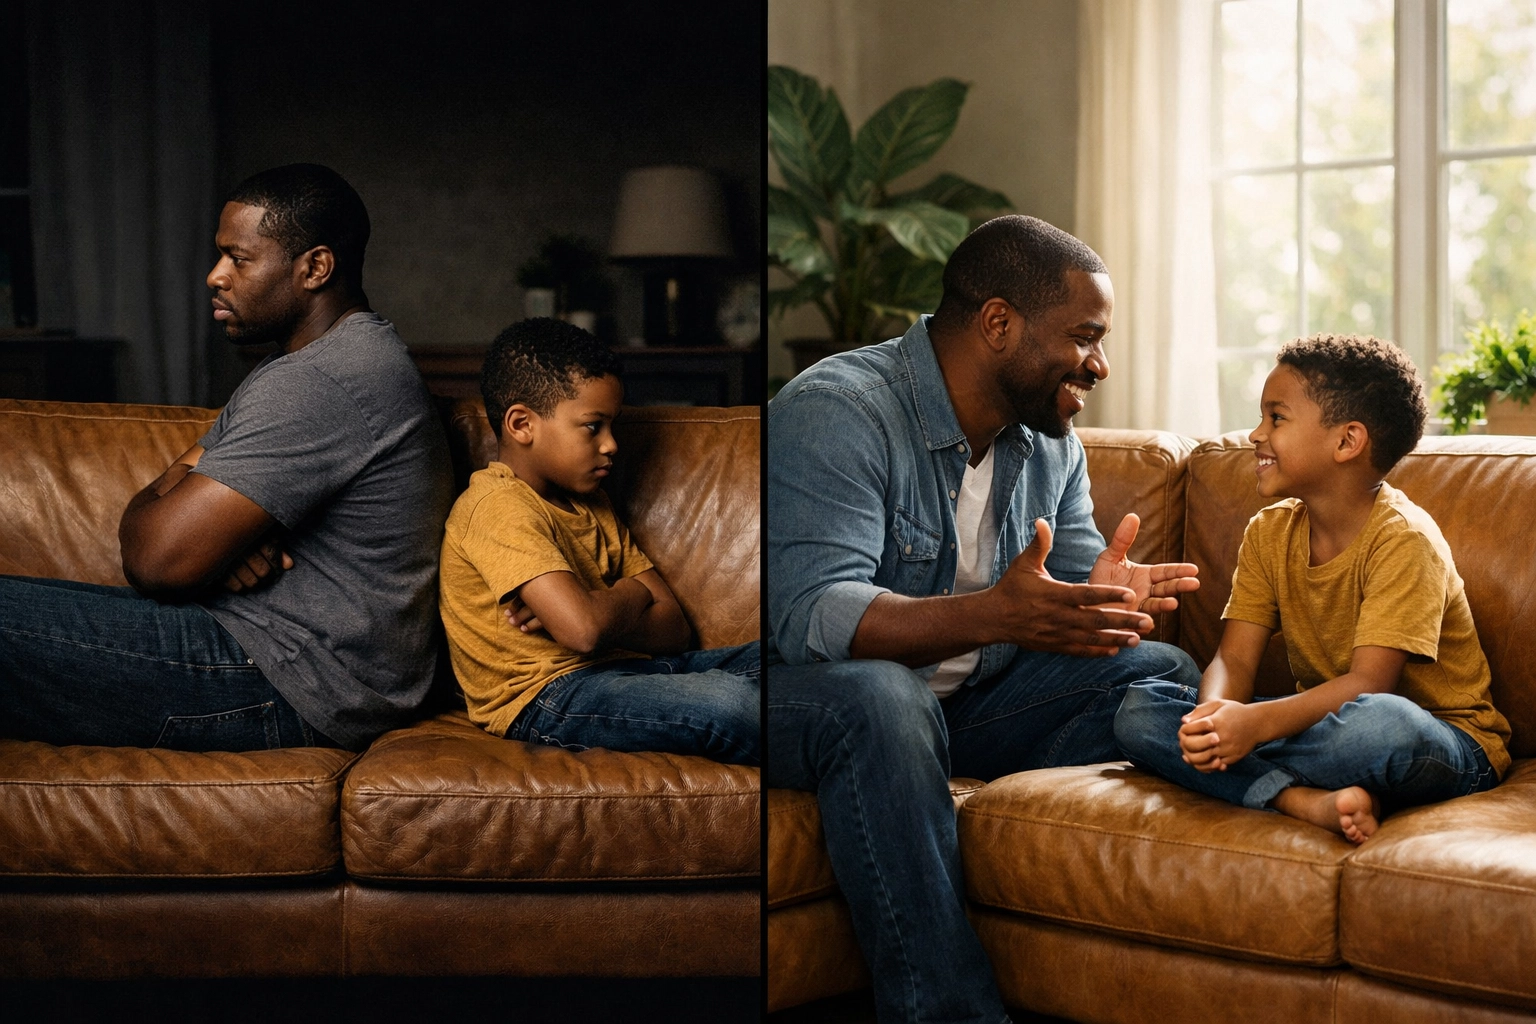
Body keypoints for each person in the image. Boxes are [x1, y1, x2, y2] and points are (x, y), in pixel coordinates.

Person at [767, 214, 1203, 1024]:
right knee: (884, 699)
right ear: (998, 323)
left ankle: (911, 805)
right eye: (1084, 337)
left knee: (1158, 672)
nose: (1100, 365)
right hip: (816, 701)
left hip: (965, 710)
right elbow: (812, 618)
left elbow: (1063, 586)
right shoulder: (840, 409)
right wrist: (995, 615)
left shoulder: (1051, 443)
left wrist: (1102, 599)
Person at [0, 163, 454, 753]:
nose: (216, 276)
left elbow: (155, 560)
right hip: (266, 648)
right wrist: (217, 540)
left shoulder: (325, 379)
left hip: (291, 679)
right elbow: (174, 506)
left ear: (315, 268)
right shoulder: (306, 364)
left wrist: (189, 515)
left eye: (239, 259)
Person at [1114, 334, 1510, 843]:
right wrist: (1214, 717)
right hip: (1319, 729)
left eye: (1276, 418)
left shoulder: (1405, 540)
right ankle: (1296, 798)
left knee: (1380, 724)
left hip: (1442, 740)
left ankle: (1253, 778)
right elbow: (1234, 660)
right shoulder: (1269, 531)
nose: (1256, 433)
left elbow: (1370, 684)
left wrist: (1253, 727)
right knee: (1140, 710)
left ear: (1347, 442)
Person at [437, 317, 758, 764]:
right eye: (593, 426)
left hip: (627, 670)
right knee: (734, 703)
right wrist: (631, 593)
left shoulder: (593, 505)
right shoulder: (496, 507)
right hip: (548, 696)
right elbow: (583, 632)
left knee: (780, 657)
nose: (611, 445)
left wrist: (595, 604)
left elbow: (673, 629)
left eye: (613, 426)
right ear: (522, 424)